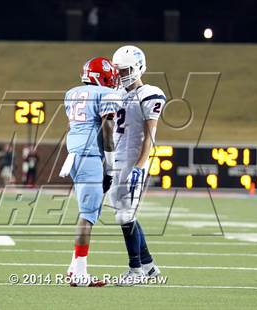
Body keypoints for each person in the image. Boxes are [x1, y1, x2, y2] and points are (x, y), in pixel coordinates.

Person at [59, 57, 120, 287]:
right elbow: (107, 126)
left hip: (73, 153)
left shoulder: (71, 93)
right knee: (88, 215)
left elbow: (71, 125)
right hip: (90, 155)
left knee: (88, 212)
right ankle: (81, 274)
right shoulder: (106, 94)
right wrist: (110, 166)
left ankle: (74, 268)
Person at [109, 45, 166, 286]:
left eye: (127, 69)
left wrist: (139, 167)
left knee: (125, 216)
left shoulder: (150, 93)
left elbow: (150, 136)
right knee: (125, 215)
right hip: (117, 160)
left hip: (133, 162)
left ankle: (136, 271)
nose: (122, 74)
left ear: (140, 67)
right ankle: (150, 266)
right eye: (120, 70)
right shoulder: (117, 93)